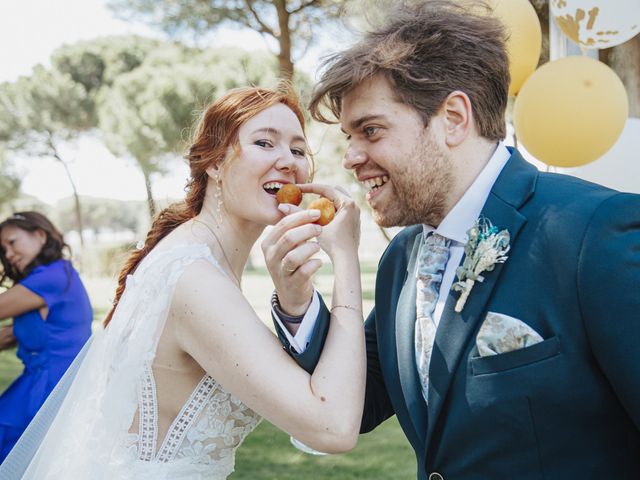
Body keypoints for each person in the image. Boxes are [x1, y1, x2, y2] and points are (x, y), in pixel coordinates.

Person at [269, 2, 640, 479]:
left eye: (371, 130)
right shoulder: (401, 260)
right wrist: (297, 300)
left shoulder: (594, 232)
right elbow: (357, 398)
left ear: (453, 118)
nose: (351, 157)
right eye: (349, 136)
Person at [0, 85, 365, 479]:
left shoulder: (192, 254)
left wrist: (295, 303)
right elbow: (332, 427)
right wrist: (345, 258)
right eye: (264, 143)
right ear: (214, 163)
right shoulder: (196, 280)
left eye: (297, 149)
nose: (288, 162)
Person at [0, 211, 92, 462]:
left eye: (12, 242)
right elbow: (9, 336)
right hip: (44, 381)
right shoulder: (58, 274)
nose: (7, 254)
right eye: (2, 248)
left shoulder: (51, 278)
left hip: (50, 387)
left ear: (39, 235)